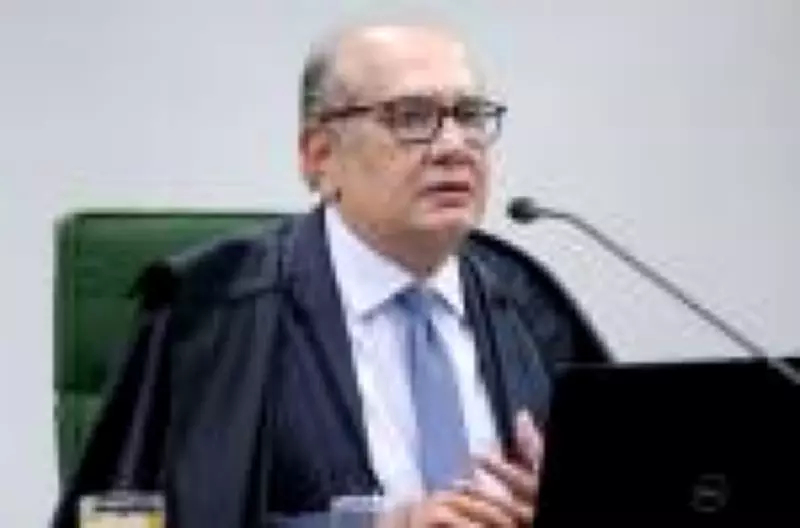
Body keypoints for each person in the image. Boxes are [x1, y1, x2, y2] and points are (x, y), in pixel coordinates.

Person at [53, 22, 608, 527]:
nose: (454, 146)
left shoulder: (532, 306)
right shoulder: (211, 313)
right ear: (319, 156)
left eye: (469, 115)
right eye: (411, 117)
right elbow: (115, 524)